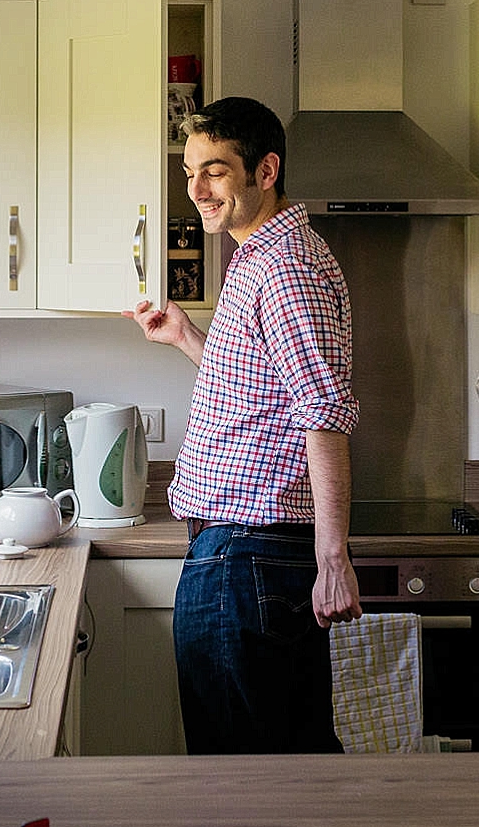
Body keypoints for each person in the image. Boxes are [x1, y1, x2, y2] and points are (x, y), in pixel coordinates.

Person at [125, 95, 362, 753]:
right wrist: (188, 340)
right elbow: (270, 392)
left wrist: (333, 557)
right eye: (190, 170)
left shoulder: (285, 268)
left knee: (243, 776)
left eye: (217, 171)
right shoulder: (259, 256)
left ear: (265, 170)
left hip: (247, 559)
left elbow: (322, 412)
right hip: (241, 554)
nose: (197, 189)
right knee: (270, 768)